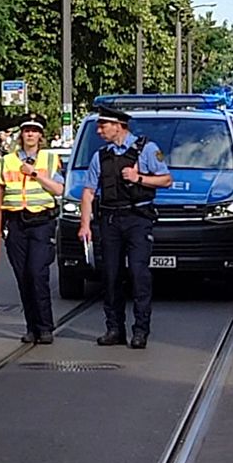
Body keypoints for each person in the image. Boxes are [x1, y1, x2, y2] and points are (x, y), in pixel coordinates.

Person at [79, 105, 173, 349]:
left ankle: (140, 330)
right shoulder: (101, 156)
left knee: (139, 274)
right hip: (110, 220)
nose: (99, 130)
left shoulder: (147, 149)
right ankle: (114, 329)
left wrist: (138, 178)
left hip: (138, 218)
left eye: (103, 125)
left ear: (118, 126)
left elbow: (166, 179)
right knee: (110, 275)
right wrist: (85, 224)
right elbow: (89, 191)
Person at [0, 114, 65, 345]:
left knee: (38, 274)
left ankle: (45, 326)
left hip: (41, 223)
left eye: (34, 131)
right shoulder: (6, 160)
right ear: (21, 134)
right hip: (15, 223)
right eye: (26, 130)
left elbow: (58, 189)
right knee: (23, 277)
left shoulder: (49, 159)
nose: (30, 134)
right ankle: (31, 327)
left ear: (40, 135)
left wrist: (35, 174)